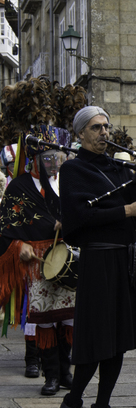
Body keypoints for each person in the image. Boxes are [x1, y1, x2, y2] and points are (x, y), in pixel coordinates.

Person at [56, 106, 136, 408]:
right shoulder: (74, 171)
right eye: (95, 127)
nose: (103, 132)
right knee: (97, 339)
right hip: (99, 262)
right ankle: (72, 404)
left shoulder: (121, 169)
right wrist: (126, 208)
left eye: (106, 127)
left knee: (118, 340)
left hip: (127, 261)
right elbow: (77, 220)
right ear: (81, 134)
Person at [0, 136, 74, 393]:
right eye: (48, 158)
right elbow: (6, 228)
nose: (54, 163)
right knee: (43, 318)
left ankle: (65, 373)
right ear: (34, 159)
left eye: (58, 157)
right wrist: (19, 246)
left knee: (70, 319)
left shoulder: (68, 183)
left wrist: (70, 224)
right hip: (38, 261)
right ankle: (51, 377)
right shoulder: (18, 187)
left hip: (68, 256)